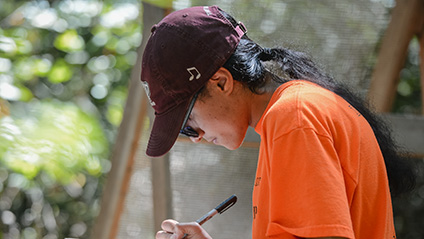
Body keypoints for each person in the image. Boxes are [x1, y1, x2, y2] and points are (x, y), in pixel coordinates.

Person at [140, 5, 416, 239]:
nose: (196, 137)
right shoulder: (292, 113)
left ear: (221, 82)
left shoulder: (293, 118)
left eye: (187, 123)